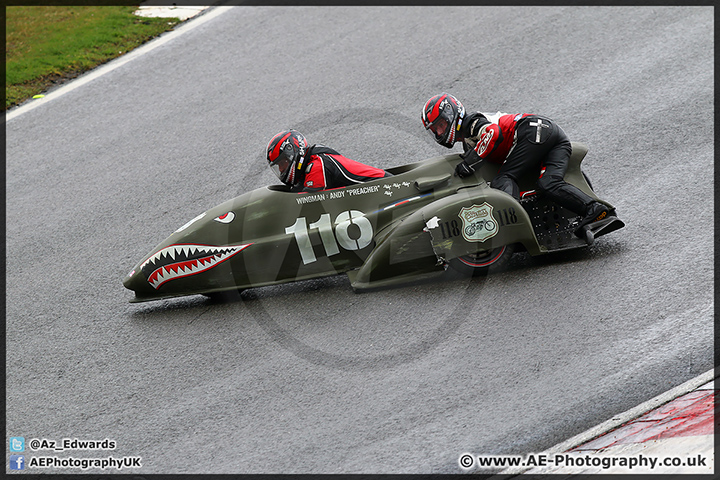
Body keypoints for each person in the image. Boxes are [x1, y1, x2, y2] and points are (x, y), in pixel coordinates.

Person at [421, 93, 609, 234]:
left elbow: (493, 133)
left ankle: (513, 226)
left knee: (503, 179)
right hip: (552, 135)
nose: (439, 133)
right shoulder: (467, 142)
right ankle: (596, 210)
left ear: (451, 114)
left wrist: (468, 163)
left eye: (440, 125)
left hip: (532, 131)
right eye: (435, 130)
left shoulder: (472, 122)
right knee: (548, 183)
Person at [266, 130, 391, 192]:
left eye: (282, 163)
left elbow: (306, 204)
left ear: (293, 153)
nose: (281, 169)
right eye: (278, 166)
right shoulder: (310, 165)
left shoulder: (317, 165)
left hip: (387, 188)